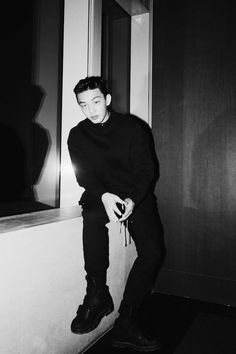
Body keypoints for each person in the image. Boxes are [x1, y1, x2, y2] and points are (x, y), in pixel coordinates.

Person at [67, 76, 164, 351]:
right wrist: (104, 195)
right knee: (93, 217)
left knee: (153, 252)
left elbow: (147, 169)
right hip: (100, 194)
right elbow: (82, 173)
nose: (91, 110)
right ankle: (96, 293)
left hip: (135, 195)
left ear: (107, 100)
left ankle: (127, 319)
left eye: (96, 102)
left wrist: (133, 199)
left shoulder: (132, 128)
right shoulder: (77, 134)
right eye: (83, 105)